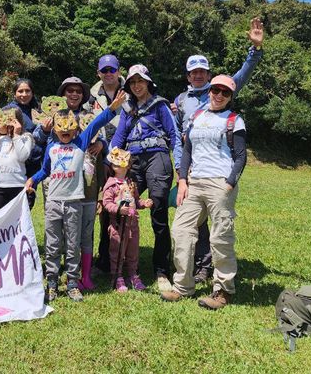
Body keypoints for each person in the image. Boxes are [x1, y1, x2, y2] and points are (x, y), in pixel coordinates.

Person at [172, 17, 263, 284]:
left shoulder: (222, 92)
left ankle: (208, 271)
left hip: (218, 173)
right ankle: (189, 275)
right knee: (189, 226)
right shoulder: (180, 100)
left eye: (202, 71)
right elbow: (181, 139)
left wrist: (254, 50)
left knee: (216, 229)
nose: (198, 75)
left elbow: (243, 74)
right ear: (188, 76)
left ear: (209, 76)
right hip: (192, 170)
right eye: (193, 72)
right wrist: (181, 173)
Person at [25, 90, 126, 303]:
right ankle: (51, 282)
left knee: (73, 243)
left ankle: (72, 283)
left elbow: (97, 123)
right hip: (53, 202)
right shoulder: (51, 148)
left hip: (74, 203)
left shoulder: (80, 143)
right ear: (54, 129)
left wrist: (112, 108)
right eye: (61, 131)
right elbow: (45, 170)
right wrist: (32, 180)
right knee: (52, 243)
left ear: (74, 129)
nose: (65, 134)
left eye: (69, 130)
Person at [162, 75, 248, 310]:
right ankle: (183, 286)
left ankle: (222, 290)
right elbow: (187, 149)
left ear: (230, 97)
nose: (219, 95)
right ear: (209, 91)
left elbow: (241, 157)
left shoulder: (234, 120)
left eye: (225, 92)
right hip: (194, 182)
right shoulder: (197, 117)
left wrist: (229, 183)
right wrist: (182, 180)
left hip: (220, 182)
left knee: (220, 237)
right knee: (181, 231)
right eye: (216, 90)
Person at [110, 64, 181, 292]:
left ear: (148, 82)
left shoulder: (160, 105)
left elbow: (174, 136)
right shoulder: (127, 108)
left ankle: (161, 271)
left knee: (158, 210)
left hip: (158, 159)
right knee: (123, 207)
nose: (137, 86)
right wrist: (110, 167)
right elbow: (118, 138)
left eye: (140, 81)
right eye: (132, 82)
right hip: (133, 162)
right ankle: (116, 265)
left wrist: (179, 167)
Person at [33, 76, 104, 291]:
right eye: (69, 91)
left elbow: (97, 127)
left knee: (78, 236)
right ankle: (53, 278)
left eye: (78, 91)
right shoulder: (52, 138)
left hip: (80, 190)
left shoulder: (83, 131)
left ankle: (76, 278)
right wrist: (32, 180)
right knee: (54, 238)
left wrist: (102, 138)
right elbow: (44, 165)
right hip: (55, 194)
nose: (74, 94)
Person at [89, 55, 126, 274]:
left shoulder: (131, 92)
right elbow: (88, 125)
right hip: (101, 161)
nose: (109, 73)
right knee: (103, 208)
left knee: (123, 206)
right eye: (105, 70)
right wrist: (101, 143)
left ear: (119, 71)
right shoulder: (91, 97)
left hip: (125, 160)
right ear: (99, 73)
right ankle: (103, 259)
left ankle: (122, 259)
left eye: (113, 69)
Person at [102, 147, 153, 292]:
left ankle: (133, 275)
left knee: (133, 251)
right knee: (117, 251)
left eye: (120, 163)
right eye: (114, 164)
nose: (116, 166)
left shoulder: (131, 183)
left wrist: (143, 203)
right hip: (118, 225)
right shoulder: (111, 184)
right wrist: (118, 209)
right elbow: (106, 203)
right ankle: (117, 276)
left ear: (128, 165)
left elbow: (135, 201)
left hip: (132, 224)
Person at [2, 78, 44, 206]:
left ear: (32, 93)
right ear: (14, 93)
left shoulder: (38, 111)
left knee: (28, 201)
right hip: (16, 163)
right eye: (20, 91)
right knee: (14, 202)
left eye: (27, 91)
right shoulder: (8, 111)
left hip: (34, 163)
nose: (24, 94)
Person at [0, 108, 34, 214]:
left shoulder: (26, 137)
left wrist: (16, 135)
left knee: (17, 224)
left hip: (18, 186)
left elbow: (23, 156)